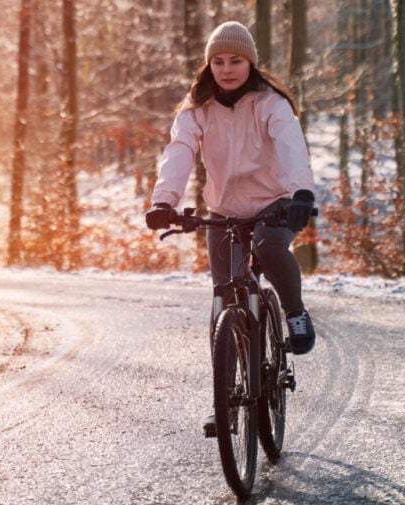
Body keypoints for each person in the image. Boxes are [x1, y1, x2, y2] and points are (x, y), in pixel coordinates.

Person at [145, 21, 316, 434]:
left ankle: (294, 313)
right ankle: (223, 397)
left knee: (271, 251)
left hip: (273, 206)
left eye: (235, 60)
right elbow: (180, 151)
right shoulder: (196, 109)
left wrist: (301, 194)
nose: (226, 68)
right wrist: (164, 201)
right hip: (222, 211)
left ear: (250, 62)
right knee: (223, 300)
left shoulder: (271, 104)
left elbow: (291, 146)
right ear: (208, 65)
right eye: (218, 61)